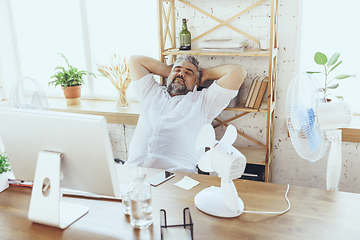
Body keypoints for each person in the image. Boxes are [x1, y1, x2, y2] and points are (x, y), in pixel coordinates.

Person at [124, 55, 246, 173]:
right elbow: (135, 60)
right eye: (177, 70)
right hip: (133, 172)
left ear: (196, 83)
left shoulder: (204, 101)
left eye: (189, 73)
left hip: (176, 177)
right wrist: (170, 71)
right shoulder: (150, 91)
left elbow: (237, 72)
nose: (182, 73)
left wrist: (206, 74)